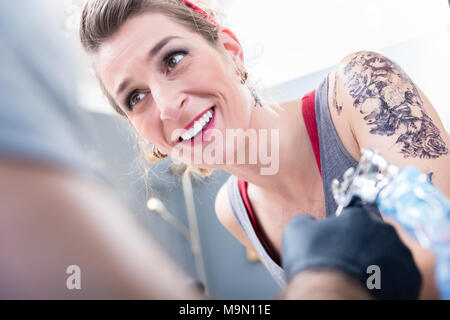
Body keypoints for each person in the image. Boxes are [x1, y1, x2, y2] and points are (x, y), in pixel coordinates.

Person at [0, 0, 422, 300]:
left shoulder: (363, 88)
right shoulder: (233, 210)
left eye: (173, 58)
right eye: (135, 98)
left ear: (231, 51)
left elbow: (437, 268)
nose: (166, 107)